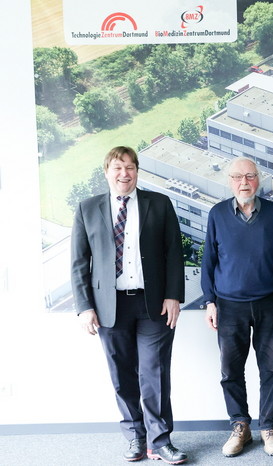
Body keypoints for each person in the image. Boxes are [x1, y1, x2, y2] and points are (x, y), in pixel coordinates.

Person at [71, 146, 187, 464]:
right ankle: (136, 435)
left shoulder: (159, 204)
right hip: (109, 307)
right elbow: (79, 262)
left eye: (131, 167)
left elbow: (174, 253)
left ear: (137, 171)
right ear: (106, 172)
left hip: (154, 305)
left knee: (155, 373)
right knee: (122, 375)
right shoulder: (87, 208)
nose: (125, 174)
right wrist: (84, 306)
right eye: (118, 168)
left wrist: (174, 295)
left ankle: (160, 441)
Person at [201, 157, 273, 457]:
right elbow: (208, 262)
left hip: (269, 303)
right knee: (231, 370)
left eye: (250, 176)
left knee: (271, 368)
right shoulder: (217, 214)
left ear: (259, 179)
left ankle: (268, 428)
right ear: (230, 181)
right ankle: (240, 426)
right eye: (238, 177)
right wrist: (210, 302)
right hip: (229, 306)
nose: (244, 182)